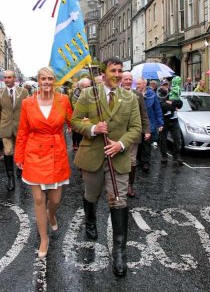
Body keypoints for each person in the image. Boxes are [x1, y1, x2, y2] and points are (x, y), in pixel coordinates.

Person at [71, 57, 141, 277]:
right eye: (114, 70)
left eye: (121, 71)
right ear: (103, 74)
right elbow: (74, 121)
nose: (118, 74)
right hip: (92, 156)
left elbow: (136, 128)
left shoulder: (130, 98)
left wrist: (120, 144)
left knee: (119, 199)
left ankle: (119, 253)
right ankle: (90, 220)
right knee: (91, 195)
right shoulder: (88, 94)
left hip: (118, 159)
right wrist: (92, 128)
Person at [14, 67, 72, 259]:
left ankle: (52, 215)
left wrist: (91, 124)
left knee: (54, 200)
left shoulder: (63, 100)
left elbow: (74, 122)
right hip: (35, 153)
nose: (47, 81)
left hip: (56, 153)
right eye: (43, 78)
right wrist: (19, 156)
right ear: (38, 81)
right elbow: (23, 131)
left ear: (54, 81)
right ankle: (44, 238)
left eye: (50, 78)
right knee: (39, 199)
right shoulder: (27, 103)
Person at [0, 70, 28, 191]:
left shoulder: (23, 92)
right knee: (7, 152)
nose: (7, 80)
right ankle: (10, 178)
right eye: (5, 77)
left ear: (14, 78)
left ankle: (20, 168)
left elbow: (28, 110)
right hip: (5, 127)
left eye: (9, 77)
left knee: (19, 151)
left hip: (20, 127)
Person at [121, 71, 150, 197]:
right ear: (121, 80)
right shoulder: (114, 93)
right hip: (119, 134)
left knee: (132, 161)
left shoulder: (138, 95)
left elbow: (144, 114)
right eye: (125, 79)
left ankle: (129, 186)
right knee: (119, 160)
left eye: (130, 79)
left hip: (134, 134)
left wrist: (147, 130)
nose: (128, 81)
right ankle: (119, 184)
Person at [136, 77, 164, 172]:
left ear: (144, 84)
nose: (137, 85)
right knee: (139, 143)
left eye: (139, 84)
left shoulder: (152, 95)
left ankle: (146, 162)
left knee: (147, 143)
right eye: (137, 83)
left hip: (149, 122)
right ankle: (139, 159)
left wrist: (160, 123)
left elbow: (157, 109)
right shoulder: (133, 94)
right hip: (137, 122)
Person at [157, 80, 183, 165]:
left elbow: (180, 104)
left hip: (174, 119)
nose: (165, 86)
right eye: (163, 85)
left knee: (177, 138)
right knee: (163, 139)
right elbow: (162, 106)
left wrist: (172, 103)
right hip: (164, 120)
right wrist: (173, 107)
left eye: (166, 85)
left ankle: (177, 156)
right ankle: (164, 156)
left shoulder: (173, 92)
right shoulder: (159, 93)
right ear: (161, 86)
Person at [71, 77, 92, 151]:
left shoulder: (94, 94)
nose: (88, 88)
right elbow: (76, 108)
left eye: (89, 86)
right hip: (80, 119)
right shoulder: (75, 96)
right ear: (80, 88)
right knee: (78, 135)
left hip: (91, 120)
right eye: (85, 87)